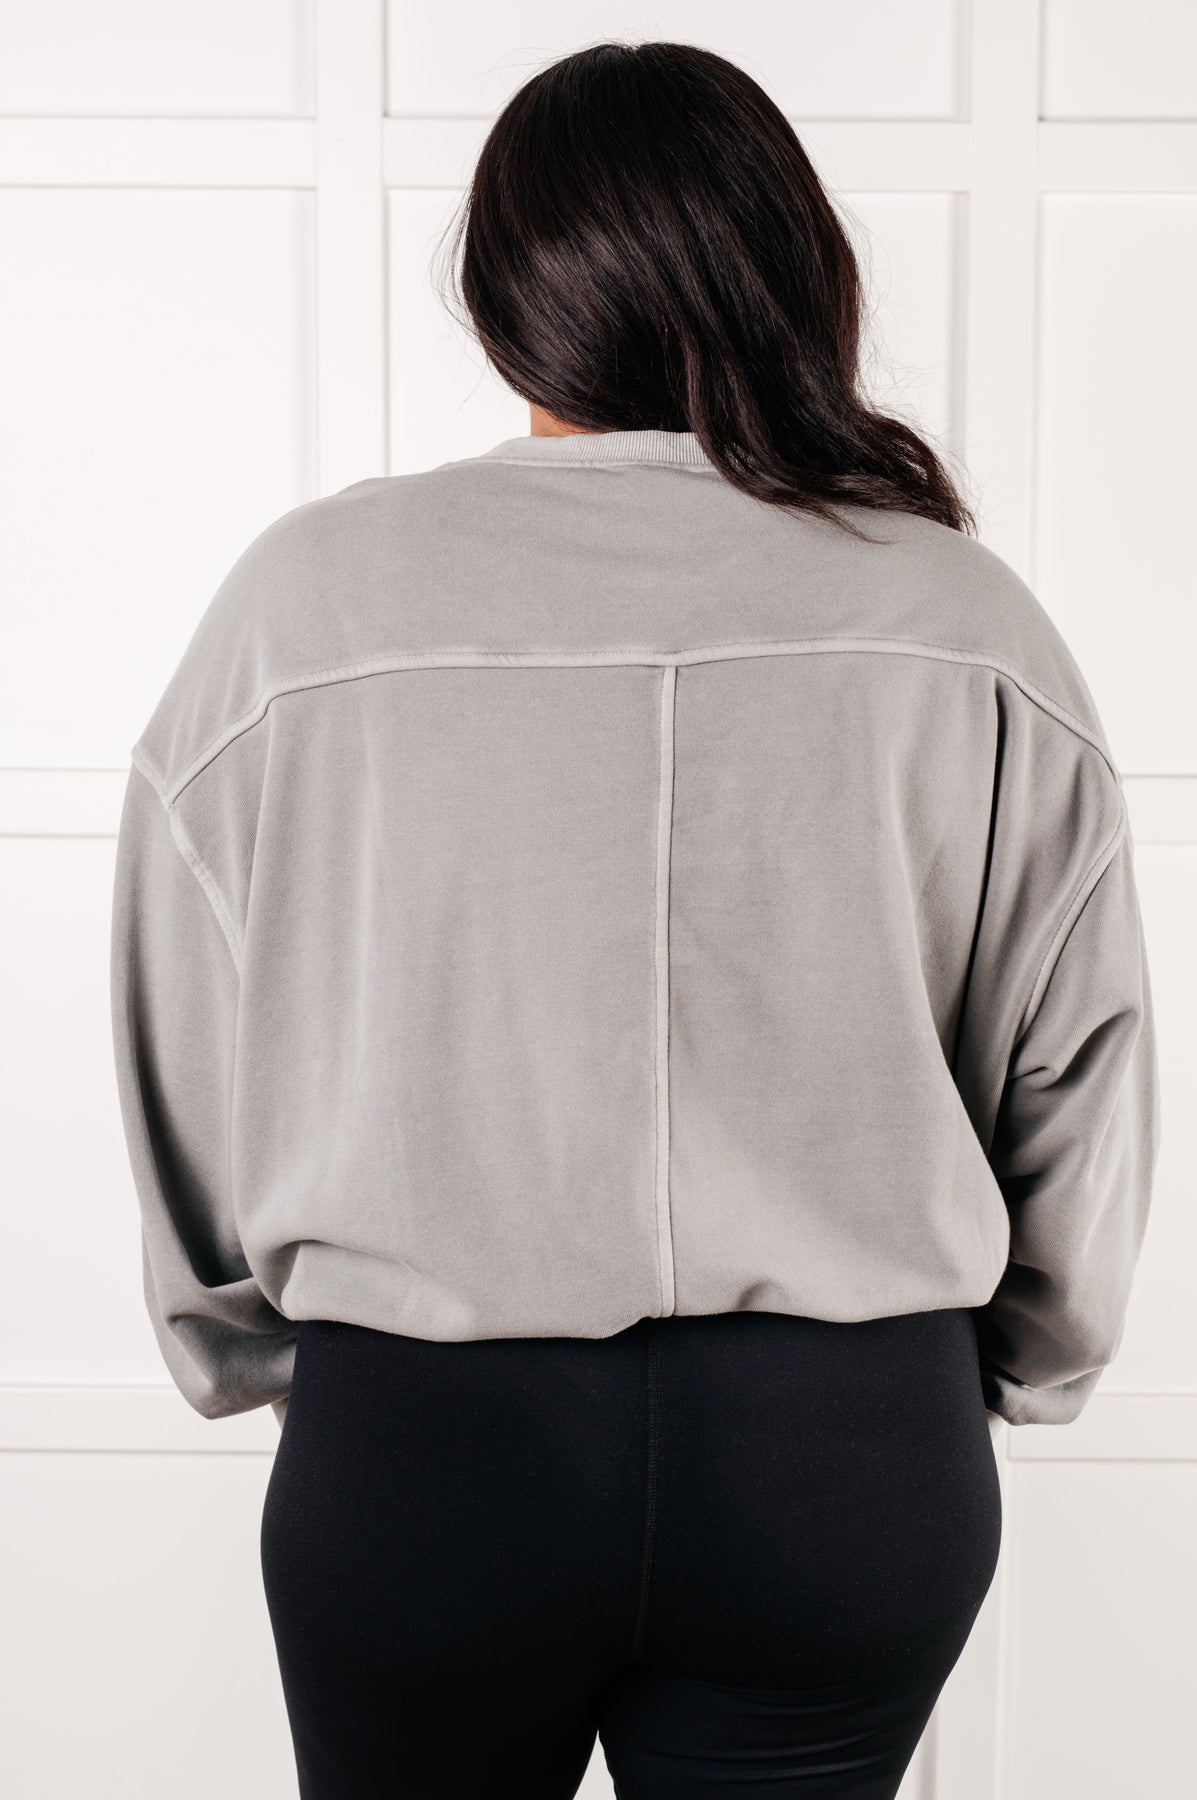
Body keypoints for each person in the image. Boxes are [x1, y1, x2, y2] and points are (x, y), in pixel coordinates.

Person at [109, 39, 1160, 1800]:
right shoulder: (959, 616)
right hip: (844, 1459)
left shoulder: (305, 608)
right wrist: (1006, 1364)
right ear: (792, 269)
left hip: (425, 1454)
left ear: (502, 296)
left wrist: (256, 1349)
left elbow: (189, 1020)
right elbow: (1073, 1051)